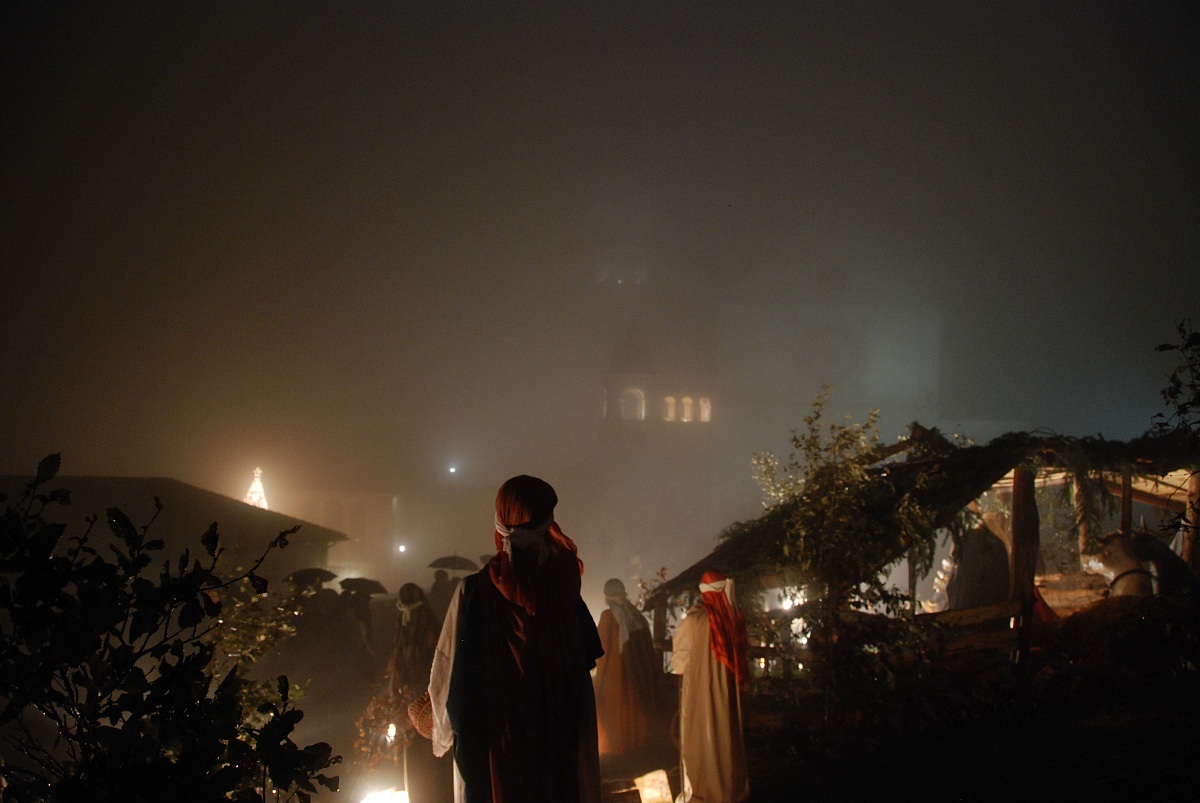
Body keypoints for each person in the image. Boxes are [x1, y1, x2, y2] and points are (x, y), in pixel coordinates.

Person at [428, 475, 603, 803]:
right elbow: (584, 661)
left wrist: (445, 730)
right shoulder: (564, 589)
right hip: (558, 736)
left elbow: (451, 673)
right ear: (548, 523)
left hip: (495, 739)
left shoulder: (473, 592)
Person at [670, 570, 750, 803]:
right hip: (728, 690)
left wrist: (680, 671)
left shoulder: (696, 619)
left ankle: (705, 786)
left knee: (701, 734)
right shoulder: (732, 617)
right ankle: (729, 785)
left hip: (700, 689)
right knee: (727, 733)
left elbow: (680, 659)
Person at [593, 578, 661, 755]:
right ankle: (635, 743)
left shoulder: (608, 617)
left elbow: (601, 649)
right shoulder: (636, 616)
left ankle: (616, 748)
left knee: (614, 711)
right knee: (633, 707)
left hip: (614, 677)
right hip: (636, 673)